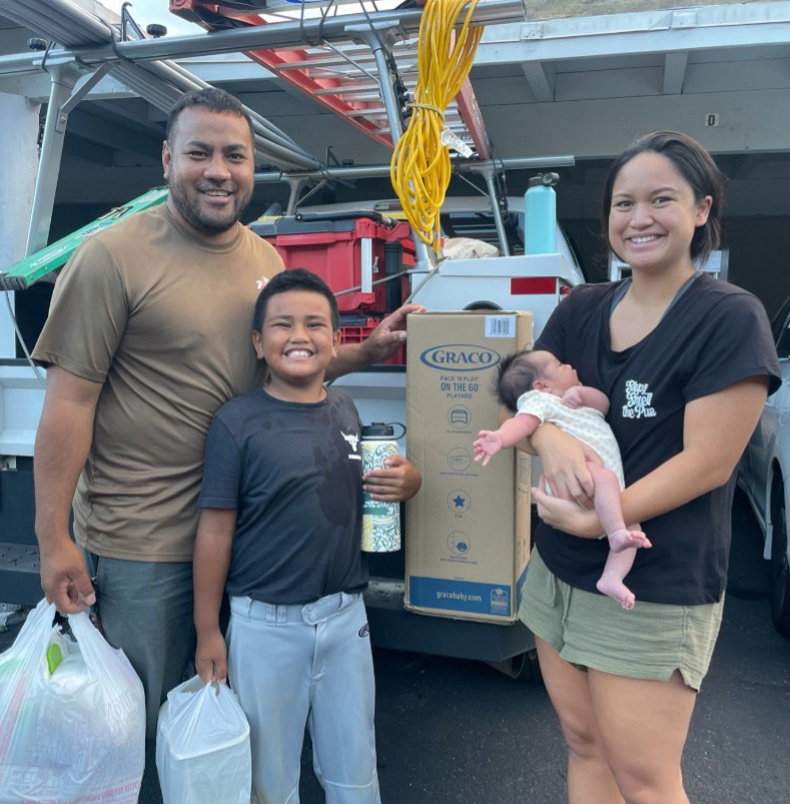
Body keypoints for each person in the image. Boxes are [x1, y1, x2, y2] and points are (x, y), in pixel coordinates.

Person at [31, 86, 422, 744]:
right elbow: (69, 403)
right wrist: (52, 539)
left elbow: (281, 366)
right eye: (199, 153)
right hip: (144, 543)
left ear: (252, 167)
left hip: (248, 537)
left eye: (234, 156)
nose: (218, 170)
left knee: (217, 726)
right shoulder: (111, 256)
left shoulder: (264, 260)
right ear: (166, 160)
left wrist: (363, 354)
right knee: (136, 727)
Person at [515, 131, 780, 804]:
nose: (638, 218)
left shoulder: (727, 318)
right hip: (557, 573)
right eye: (623, 203)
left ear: (701, 210)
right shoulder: (579, 310)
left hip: (654, 582)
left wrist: (595, 521)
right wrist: (545, 441)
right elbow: (526, 397)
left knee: (645, 779)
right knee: (584, 747)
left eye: (661, 199)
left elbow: (707, 464)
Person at [194, 269, 416, 804]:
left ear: (337, 340)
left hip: (345, 619)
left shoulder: (345, 408)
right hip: (262, 626)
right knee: (268, 777)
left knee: (355, 766)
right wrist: (208, 629)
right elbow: (215, 530)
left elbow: (371, 487)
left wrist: (411, 482)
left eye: (316, 324)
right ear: (257, 342)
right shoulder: (236, 423)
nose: (300, 336)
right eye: (282, 325)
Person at [473, 349, 650, 610]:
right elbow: (522, 423)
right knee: (609, 486)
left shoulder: (573, 400)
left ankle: (611, 577)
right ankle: (614, 533)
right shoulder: (539, 401)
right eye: (559, 364)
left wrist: (582, 394)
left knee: (633, 528)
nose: (569, 364)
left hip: (598, 483)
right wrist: (499, 439)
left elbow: (604, 405)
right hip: (583, 476)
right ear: (541, 385)